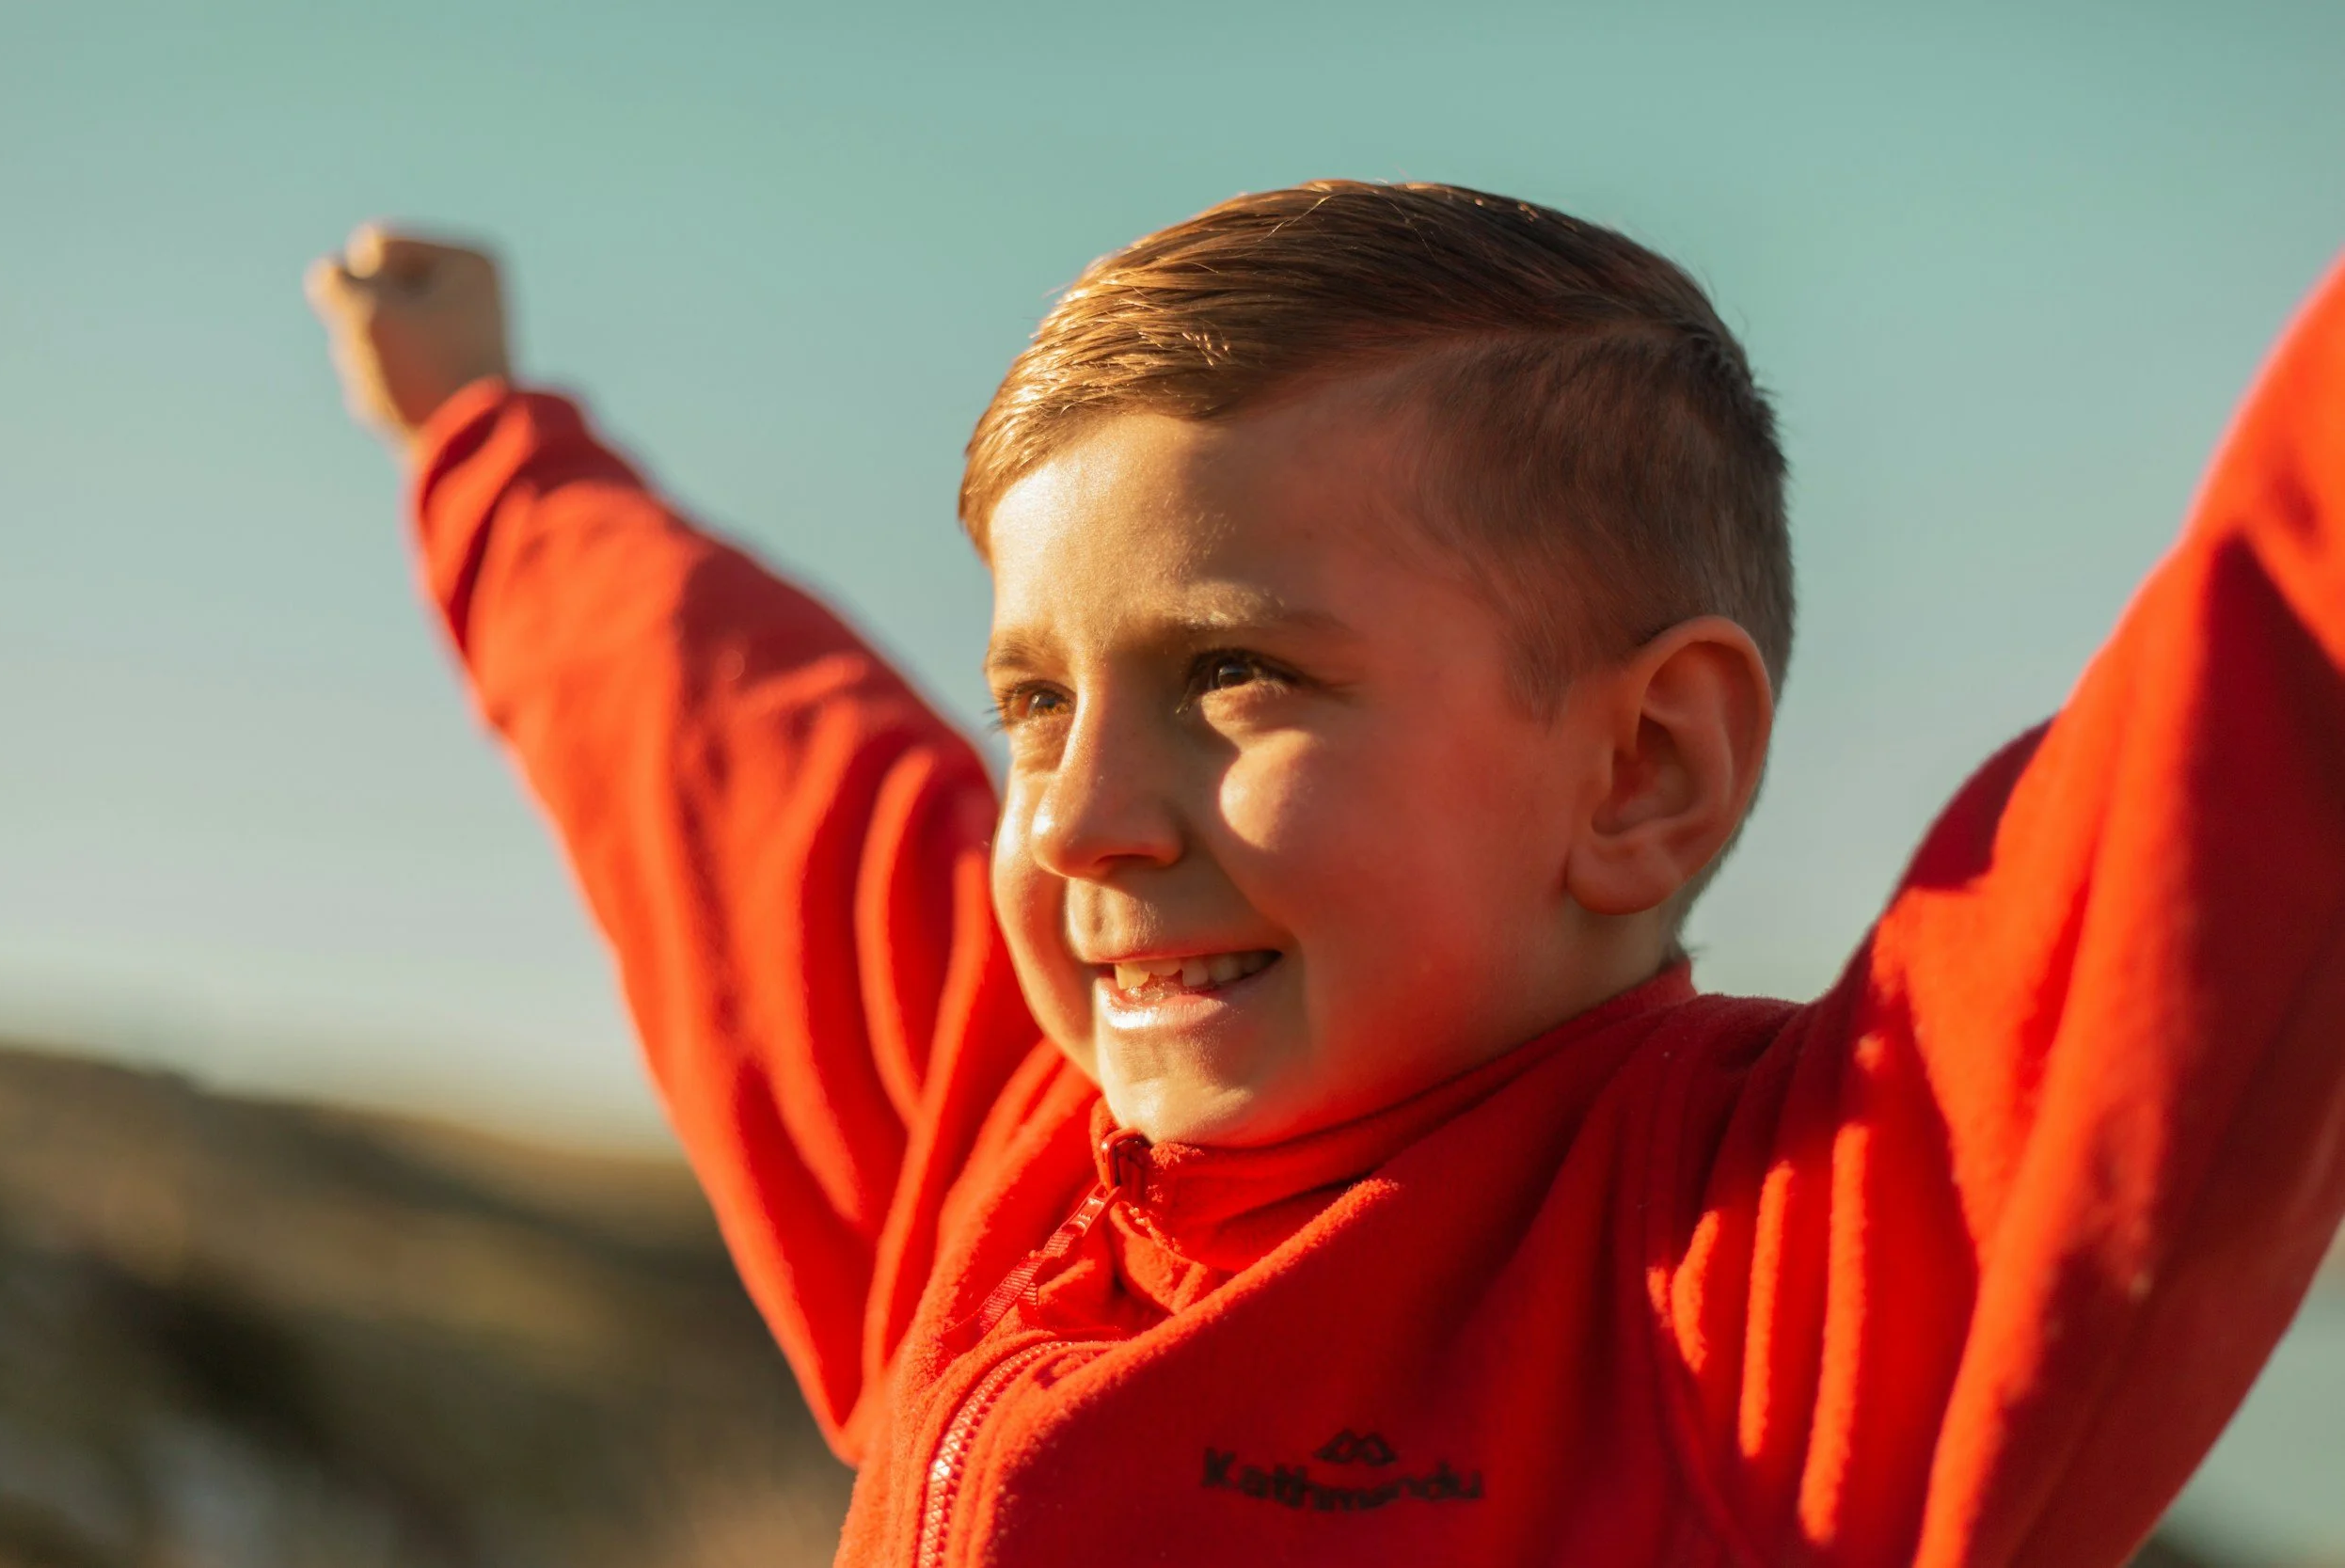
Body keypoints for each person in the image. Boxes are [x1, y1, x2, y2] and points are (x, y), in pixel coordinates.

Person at [305, 182, 2345, 1567]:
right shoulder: (996, 1145)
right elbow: (720, 745)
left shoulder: (1779, 1281)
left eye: (1234, 673)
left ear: (1638, 764)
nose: (1081, 815)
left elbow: (2268, 694)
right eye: (1029, 698)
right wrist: (479, 436)